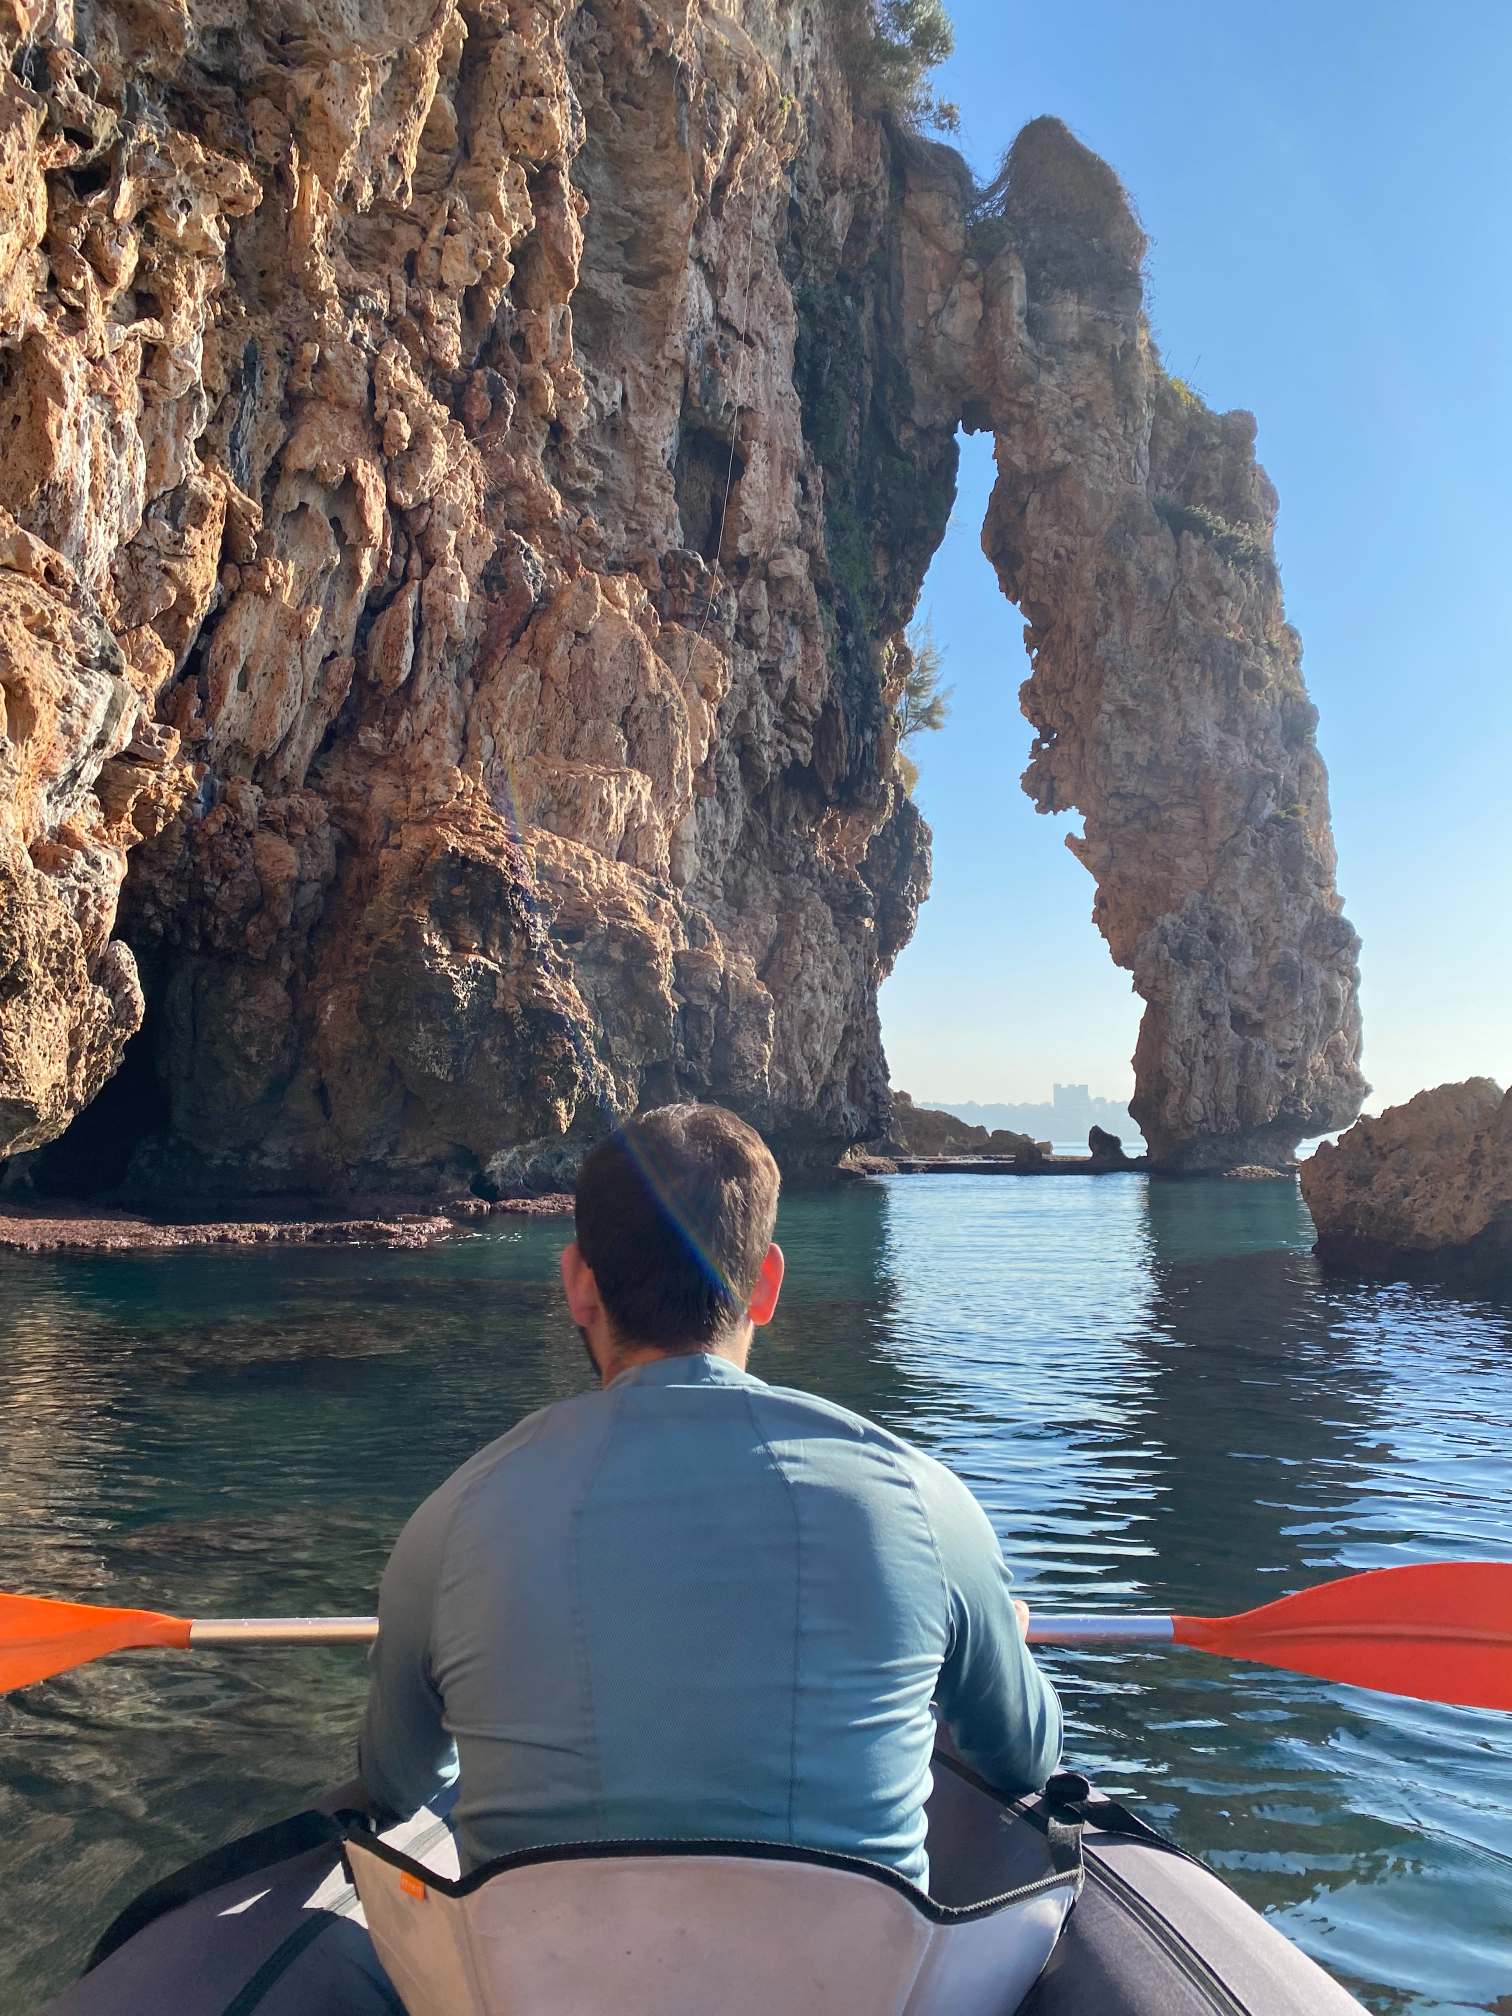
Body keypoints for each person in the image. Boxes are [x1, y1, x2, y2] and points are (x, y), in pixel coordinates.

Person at [359, 1102, 1062, 1889]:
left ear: (577, 1286)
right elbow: (1025, 1757)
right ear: (765, 1285)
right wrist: (1001, 1641)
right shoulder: (926, 1504)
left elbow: (396, 1787)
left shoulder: (450, 1523)